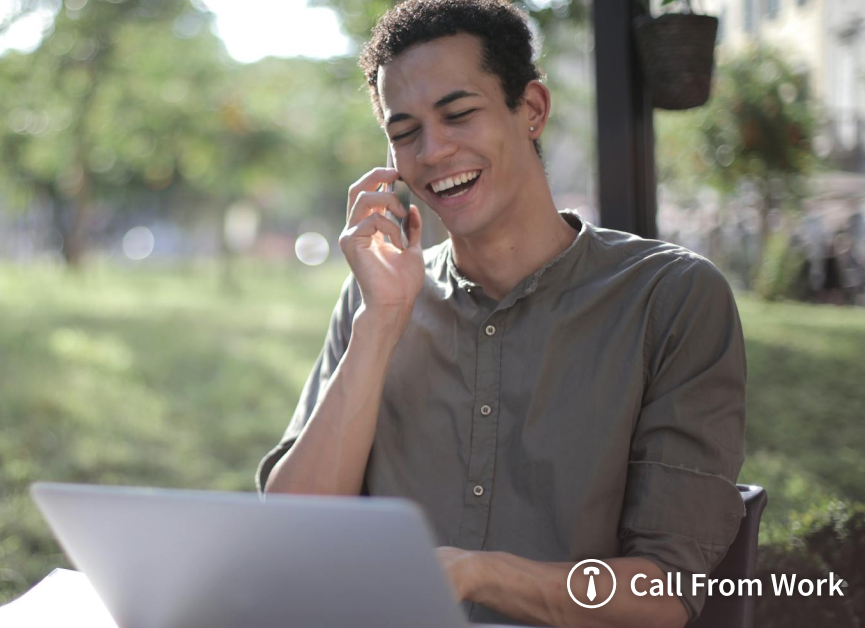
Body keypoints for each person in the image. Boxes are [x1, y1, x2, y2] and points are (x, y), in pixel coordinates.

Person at [256, 2, 746, 627]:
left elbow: (662, 595)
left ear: (532, 110)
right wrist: (380, 321)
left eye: (459, 114)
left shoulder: (671, 298)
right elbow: (294, 532)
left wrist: (473, 572)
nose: (433, 151)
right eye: (405, 132)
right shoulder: (374, 298)